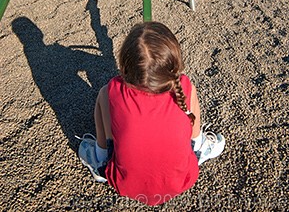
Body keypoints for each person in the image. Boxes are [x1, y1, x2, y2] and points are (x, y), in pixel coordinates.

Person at [78, 22, 225, 206]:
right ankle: (200, 147)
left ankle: (100, 158)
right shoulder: (184, 86)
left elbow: (111, 95)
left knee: (103, 96)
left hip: (124, 182)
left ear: (124, 67)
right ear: (175, 65)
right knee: (190, 102)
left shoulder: (114, 89)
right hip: (182, 180)